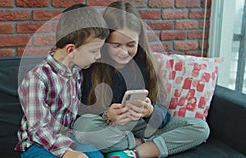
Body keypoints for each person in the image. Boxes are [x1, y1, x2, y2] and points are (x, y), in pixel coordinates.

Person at [73, 1, 210, 158]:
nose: (124, 52)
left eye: (131, 45)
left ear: (139, 40)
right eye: (116, 45)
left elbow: (163, 116)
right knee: (82, 127)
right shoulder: (93, 65)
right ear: (104, 42)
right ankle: (141, 145)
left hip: (141, 125)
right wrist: (106, 115)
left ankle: (134, 154)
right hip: (108, 128)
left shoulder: (145, 63)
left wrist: (149, 111)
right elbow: (80, 114)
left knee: (200, 128)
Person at [15, 3, 109, 158]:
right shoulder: (37, 79)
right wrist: (68, 153)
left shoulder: (76, 71)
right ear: (71, 50)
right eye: (94, 51)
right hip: (37, 143)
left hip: (67, 137)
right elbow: (38, 129)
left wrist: (106, 115)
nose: (98, 56)